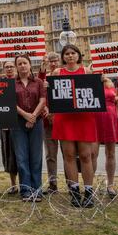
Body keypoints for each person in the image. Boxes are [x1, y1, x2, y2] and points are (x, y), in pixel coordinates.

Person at [50, 44, 98, 208]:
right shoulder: (57, 73)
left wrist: (103, 80)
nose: (70, 56)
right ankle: (75, 191)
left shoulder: (87, 72)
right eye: (67, 54)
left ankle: (89, 192)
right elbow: (52, 95)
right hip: (65, 118)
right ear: (63, 57)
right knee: (68, 156)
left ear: (78, 55)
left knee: (86, 156)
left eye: (73, 53)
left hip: (84, 118)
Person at [11, 55, 47, 202]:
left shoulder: (38, 82)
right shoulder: (12, 83)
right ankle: (25, 189)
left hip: (36, 122)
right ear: (16, 67)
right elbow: (10, 102)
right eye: (19, 64)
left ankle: (36, 189)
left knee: (36, 157)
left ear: (30, 65)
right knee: (21, 158)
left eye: (25, 63)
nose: (22, 66)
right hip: (18, 123)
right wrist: (26, 115)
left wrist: (33, 116)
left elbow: (43, 100)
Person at [92, 75, 118, 198]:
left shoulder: (112, 83)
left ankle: (110, 184)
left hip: (111, 120)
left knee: (111, 153)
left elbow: (117, 103)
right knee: (93, 154)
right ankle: (91, 185)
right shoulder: (90, 82)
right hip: (95, 120)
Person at [39, 52, 61, 193]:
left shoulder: (65, 75)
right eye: (50, 61)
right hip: (48, 122)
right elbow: (39, 88)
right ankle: (53, 184)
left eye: (55, 61)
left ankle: (73, 184)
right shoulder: (44, 78)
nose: (53, 64)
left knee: (69, 154)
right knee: (50, 155)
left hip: (64, 121)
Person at [0, 60, 19, 193]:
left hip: (21, 122)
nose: (9, 69)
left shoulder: (21, 82)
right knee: (9, 154)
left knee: (21, 154)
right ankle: (13, 184)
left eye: (11, 67)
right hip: (6, 123)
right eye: (6, 67)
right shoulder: (1, 83)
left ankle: (24, 183)